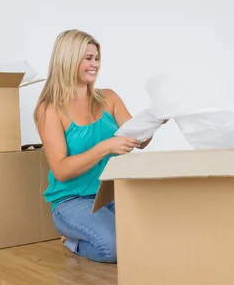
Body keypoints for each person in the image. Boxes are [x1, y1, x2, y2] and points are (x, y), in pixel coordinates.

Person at [34, 29, 152, 263]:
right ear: (68, 59)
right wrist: (105, 147)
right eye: (88, 58)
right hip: (72, 201)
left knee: (154, 235)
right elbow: (61, 170)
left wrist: (154, 119)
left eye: (97, 58)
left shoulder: (109, 98)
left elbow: (140, 141)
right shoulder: (50, 109)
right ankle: (73, 241)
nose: (95, 64)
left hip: (113, 193)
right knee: (116, 249)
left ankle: (95, 230)